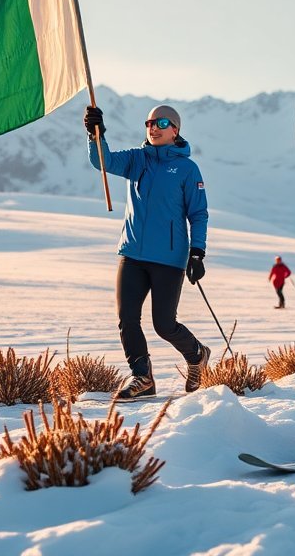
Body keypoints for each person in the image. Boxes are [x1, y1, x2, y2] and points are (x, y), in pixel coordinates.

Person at [84, 103, 212, 400]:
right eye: (149, 123)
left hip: (168, 258)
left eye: (161, 122)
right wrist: (95, 135)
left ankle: (197, 354)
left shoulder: (187, 169)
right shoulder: (136, 159)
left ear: (176, 130)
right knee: (127, 319)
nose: (153, 127)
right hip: (131, 253)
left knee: (164, 324)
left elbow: (199, 214)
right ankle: (142, 377)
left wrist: (197, 252)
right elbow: (102, 162)